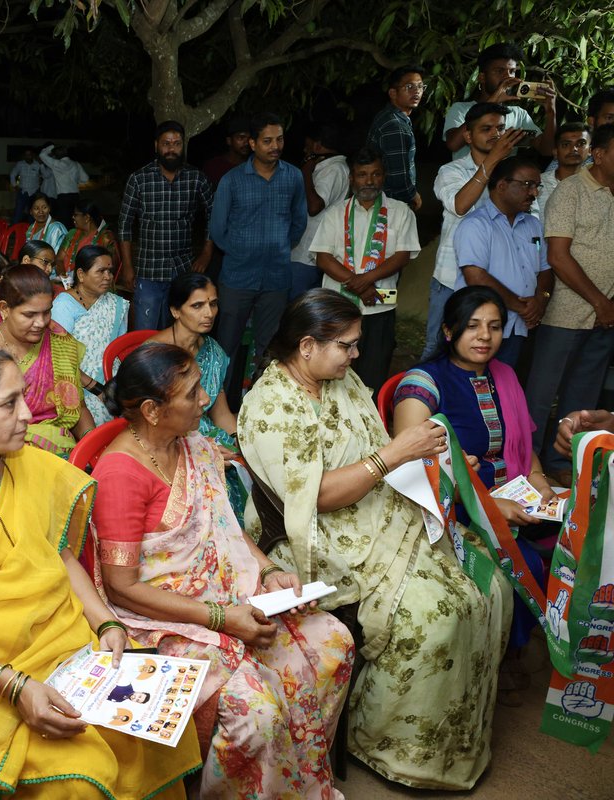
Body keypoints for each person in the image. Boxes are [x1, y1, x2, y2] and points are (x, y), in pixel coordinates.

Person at [0, 347, 201, 797]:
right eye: (8, 403)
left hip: (61, 648)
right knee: (82, 779)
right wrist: (17, 688)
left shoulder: (24, 464)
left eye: (23, 397)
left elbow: (59, 556)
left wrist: (106, 622)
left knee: (154, 724)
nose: (26, 415)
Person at [237, 289, 510, 790]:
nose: (356, 355)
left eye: (357, 344)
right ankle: (390, 746)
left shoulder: (340, 379)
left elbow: (375, 446)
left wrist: (436, 462)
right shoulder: (271, 405)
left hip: (383, 509)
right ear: (306, 347)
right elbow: (314, 497)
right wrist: (397, 454)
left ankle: (453, 743)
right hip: (321, 534)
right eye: (347, 345)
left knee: (488, 588)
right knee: (436, 616)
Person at [92, 342, 353, 795]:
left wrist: (269, 570)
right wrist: (222, 619)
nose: (205, 399)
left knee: (333, 643)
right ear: (153, 410)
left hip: (228, 595)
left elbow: (221, 528)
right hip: (163, 620)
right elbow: (121, 588)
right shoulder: (121, 474)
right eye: (192, 394)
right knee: (257, 709)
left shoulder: (189, 443)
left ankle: (294, 777)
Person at [392, 286, 552, 654]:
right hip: (452, 506)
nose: (484, 336)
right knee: (523, 562)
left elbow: (524, 446)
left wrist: (540, 481)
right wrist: (489, 507)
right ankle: (507, 652)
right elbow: (411, 462)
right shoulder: (423, 382)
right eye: (473, 326)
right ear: (449, 331)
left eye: (495, 327)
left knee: (567, 534)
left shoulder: (505, 377)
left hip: (513, 495)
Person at [525, 123, 614, 481]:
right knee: (541, 398)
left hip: (606, 318)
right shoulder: (570, 192)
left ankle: (563, 465)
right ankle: (525, 468)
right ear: (601, 154)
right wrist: (600, 301)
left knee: (583, 399)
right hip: (566, 315)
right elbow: (558, 257)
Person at [210, 112, 307, 410]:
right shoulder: (233, 180)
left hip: (276, 277)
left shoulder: (293, 176)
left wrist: (276, 248)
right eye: (267, 141)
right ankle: (219, 410)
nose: (274, 146)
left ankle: (260, 409)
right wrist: (241, 252)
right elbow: (217, 228)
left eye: (279, 139)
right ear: (252, 143)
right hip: (237, 277)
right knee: (226, 345)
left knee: (269, 347)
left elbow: (298, 223)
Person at [309, 147, 420, 391]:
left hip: (380, 303)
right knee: (332, 375)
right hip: (337, 308)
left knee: (373, 374)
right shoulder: (335, 213)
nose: (369, 181)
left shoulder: (401, 212)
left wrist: (367, 281)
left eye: (375, 174)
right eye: (362, 175)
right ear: (352, 178)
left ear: (384, 176)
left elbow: (402, 256)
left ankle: (369, 425)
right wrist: (359, 286)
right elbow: (323, 258)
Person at [421, 103, 526, 360]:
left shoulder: (515, 174)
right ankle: (420, 398)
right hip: (451, 279)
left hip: (498, 281)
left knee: (487, 354)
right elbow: (460, 205)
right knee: (437, 350)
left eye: (501, 128)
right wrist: (491, 162)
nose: (496, 134)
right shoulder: (451, 171)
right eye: (487, 129)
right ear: (468, 136)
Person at [144, 273, 246, 522]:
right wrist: (203, 452)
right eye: (197, 305)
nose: (209, 313)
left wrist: (242, 445)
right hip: (168, 440)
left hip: (209, 436)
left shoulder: (213, 352)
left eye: (213, 303)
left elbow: (220, 413)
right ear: (176, 311)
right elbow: (146, 423)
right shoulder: (153, 355)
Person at [0, 264, 95, 456]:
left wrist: (92, 449)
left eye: (47, 312)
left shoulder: (58, 340)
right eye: (29, 315)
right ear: (4, 309)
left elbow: (79, 408)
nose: (41, 323)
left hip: (62, 451)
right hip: (4, 456)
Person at [454, 156, 552, 366]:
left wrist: (541, 299)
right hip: (482, 329)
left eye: (537, 186)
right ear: (501, 185)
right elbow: (476, 277)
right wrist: (522, 306)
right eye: (527, 185)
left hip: (521, 327)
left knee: (506, 389)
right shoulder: (476, 225)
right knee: (476, 388)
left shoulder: (533, 225)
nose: (534, 193)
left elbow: (545, 269)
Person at [118, 120, 215, 330]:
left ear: (183, 146)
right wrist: (127, 266)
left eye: (177, 143)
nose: (171, 149)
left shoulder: (196, 179)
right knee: (146, 333)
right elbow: (124, 225)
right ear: (156, 146)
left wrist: (206, 252)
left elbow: (213, 214)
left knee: (180, 331)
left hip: (183, 270)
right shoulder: (138, 179)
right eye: (166, 143)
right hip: (149, 270)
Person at [51, 245, 128, 424]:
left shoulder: (115, 304)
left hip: (112, 380)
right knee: (99, 417)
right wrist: (98, 390)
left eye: (110, 271)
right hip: (75, 383)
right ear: (81, 274)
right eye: (101, 271)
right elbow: (60, 359)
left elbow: (120, 349)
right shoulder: (64, 306)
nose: (108, 277)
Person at [443, 42, 557, 159]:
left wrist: (551, 112)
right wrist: (492, 103)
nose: (507, 76)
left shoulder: (518, 114)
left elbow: (547, 151)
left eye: (512, 71)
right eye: (499, 71)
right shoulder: (461, 109)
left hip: (504, 177)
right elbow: (453, 144)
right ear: (482, 77)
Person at [290, 124, 350, 300]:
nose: (304, 150)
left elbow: (315, 206)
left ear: (316, 146)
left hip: (306, 255)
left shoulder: (335, 169)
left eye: (307, 145)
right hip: (306, 253)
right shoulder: (329, 167)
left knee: (297, 307)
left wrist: (307, 171)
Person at [366, 65, 426, 211]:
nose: (417, 91)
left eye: (420, 86)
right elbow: (398, 176)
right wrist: (412, 195)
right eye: (409, 86)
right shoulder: (395, 126)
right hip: (391, 204)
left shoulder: (389, 116)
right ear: (393, 93)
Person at [58, 201, 119, 278]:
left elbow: (110, 267)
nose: (73, 217)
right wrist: (64, 278)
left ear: (86, 217)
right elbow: (59, 259)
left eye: (75, 215)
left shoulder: (105, 237)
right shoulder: (72, 234)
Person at [538, 123, 591, 211]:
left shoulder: (598, 184)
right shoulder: (538, 184)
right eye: (566, 145)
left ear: (590, 150)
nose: (574, 149)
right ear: (555, 152)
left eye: (581, 143)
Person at [39, 144, 89, 224]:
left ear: (57, 155)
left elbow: (42, 155)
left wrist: (51, 147)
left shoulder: (57, 164)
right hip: (75, 195)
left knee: (63, 220)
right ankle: (73, 235)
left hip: (63, 196)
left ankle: (65, 236)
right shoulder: (76, 164)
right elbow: (85, 179)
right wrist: (75, 181)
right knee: (74, 219)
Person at [201, 115, 251, 190]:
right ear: (229, 141)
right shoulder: (213, 167)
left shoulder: (254, 166)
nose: (247, 143)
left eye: (249, 138)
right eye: (241, 138)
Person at [10, 147, 42, 223]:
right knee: (18, 212)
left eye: (29, 154)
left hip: (34, 193)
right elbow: (12, 174)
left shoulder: (37, 165)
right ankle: (13, 230)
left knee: (33, 213)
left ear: (32, 155)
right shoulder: (20, 164)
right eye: (26, 155)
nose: (28, 156)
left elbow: (43, 176)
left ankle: (31, 232)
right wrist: (14, 185)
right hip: (22, 192)